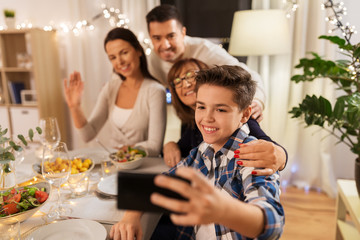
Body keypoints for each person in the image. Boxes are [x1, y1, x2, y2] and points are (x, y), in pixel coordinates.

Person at [110, 65, 284, 240]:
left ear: (245, 115)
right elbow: (164, 182)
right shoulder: (202, 151)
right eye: (201, 107)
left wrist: (224, 210)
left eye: (221, 109)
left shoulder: (252, 155)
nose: (207, 117)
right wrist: (131, 214)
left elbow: (272, 222)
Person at [163, 58, 286, 176]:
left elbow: (272, 149)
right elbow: (185, 150)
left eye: (190, 75)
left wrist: (281, 155)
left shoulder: (239, 120)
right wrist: (170, 145)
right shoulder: (193, 121)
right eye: (177, 81)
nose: (186, 84)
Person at [146, 4, 265, 121]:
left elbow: (250, 75)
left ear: (183, 33)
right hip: (189, 119)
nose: (165, 45)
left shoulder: (206, 51)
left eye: (171, 36)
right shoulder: (153, 61)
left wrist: (257, 102)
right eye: (157, 38)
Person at [63, 28, 166, 157]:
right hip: (115, 165)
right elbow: (87, 135)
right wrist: (75, 107)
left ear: (138, 50)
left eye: (124, 53)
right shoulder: (110, 88)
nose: (119, 62)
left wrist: (121, 151)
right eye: (113, 57)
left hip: (144, 167)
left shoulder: (155, 91)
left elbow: (155, 146)